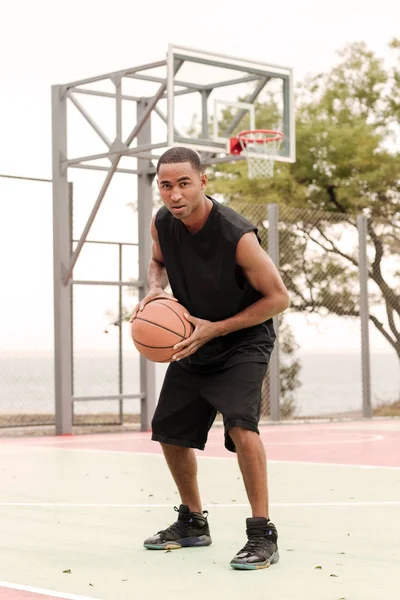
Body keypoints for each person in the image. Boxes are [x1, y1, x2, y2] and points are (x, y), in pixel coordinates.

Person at [130, 147, 290, 570]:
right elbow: (157, 262)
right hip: (193, 336)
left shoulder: (236, 236)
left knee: (241, 425)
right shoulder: (163, 222)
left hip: (242, 340)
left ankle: (262, 533)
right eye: (166, 185)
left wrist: (215, 329)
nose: (175, 194)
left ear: (203, 182)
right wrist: (154, 289)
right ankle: (193, 522)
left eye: (184, 183)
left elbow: (279, 298)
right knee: (169, 429)